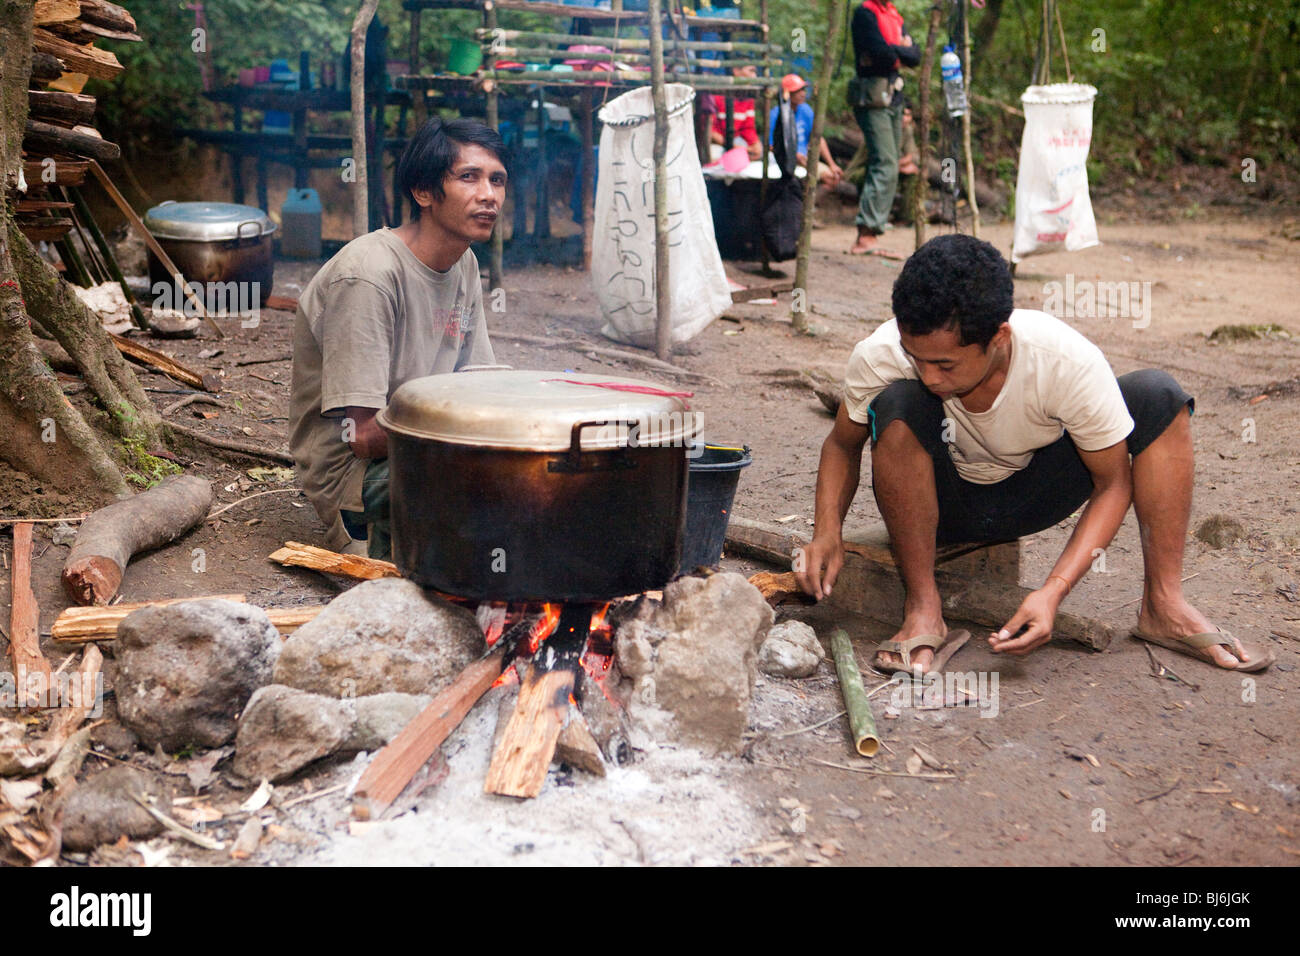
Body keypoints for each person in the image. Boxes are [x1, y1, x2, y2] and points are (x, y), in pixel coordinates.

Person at [797, 235, 1273, 675]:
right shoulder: (880, 354)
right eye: (914, 355)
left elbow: (1113, 483)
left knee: (1157, 395)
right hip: (940, 507)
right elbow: (842, 444)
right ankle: (924, 606)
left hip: (1032, 498)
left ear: (999, 338)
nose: (929, 375)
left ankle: (1163, 605)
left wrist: (1053, 592)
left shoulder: (1063, 359)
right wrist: (826, 532)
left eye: (945, 363)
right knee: (898, 402)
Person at [289, 118, 507, 559]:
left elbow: (478, 379)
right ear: (423, 192)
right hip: (356, 475)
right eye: (469, 177)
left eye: (497, 180)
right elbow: (363, 436)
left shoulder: (463, 262)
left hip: (424, 447)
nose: (489, 195)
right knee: (501, 492)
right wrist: (469, 431)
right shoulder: (369, 275)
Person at [848, 0, 919, 255]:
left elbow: (916, 56)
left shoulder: (893, 13)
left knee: (889, 160)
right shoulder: (864, 13)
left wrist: (897, 51)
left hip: (893, 96)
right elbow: (879, 53)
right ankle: (866, 233)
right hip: (872, 95)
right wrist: (900, 49)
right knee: (885, 161)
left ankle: (872, 229)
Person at [768, 73, 843, 186]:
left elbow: (818, 138)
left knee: (833, 177)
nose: (803, 93)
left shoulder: (805, 110)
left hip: (805, 160)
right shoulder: (776, 115)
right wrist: (792, 155)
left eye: (803, 89)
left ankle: (810, 201)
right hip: (783, 163)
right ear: (788, 94)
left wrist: (831, 164)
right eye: (798, 90)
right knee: (824, 177)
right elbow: (772, 146)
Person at [709, 65, 763, 160]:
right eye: (751, 71)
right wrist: (733, 146)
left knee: (758, 154)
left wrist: (755, 144)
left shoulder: (748, 100)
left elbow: (748, 128)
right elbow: (710, 132)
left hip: (737, 142)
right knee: (714, 156)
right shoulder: (716, 96)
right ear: (736, 71)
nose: (754, 76)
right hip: (717, 144)